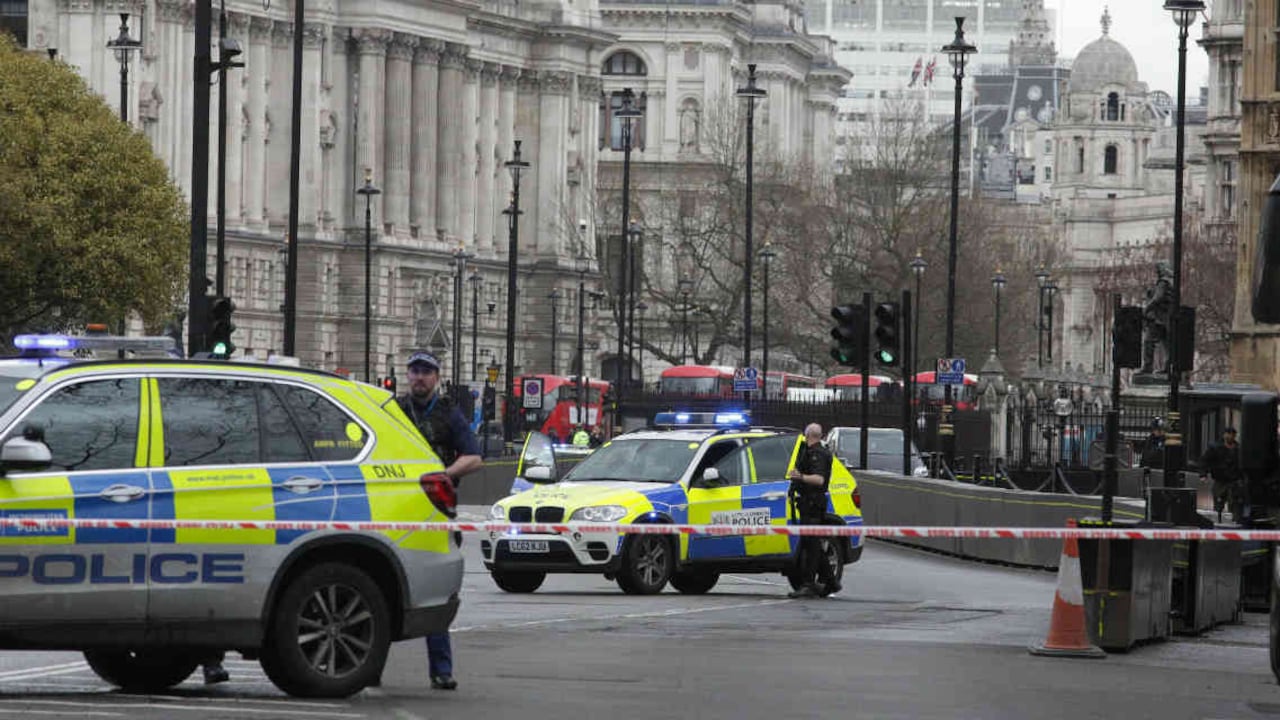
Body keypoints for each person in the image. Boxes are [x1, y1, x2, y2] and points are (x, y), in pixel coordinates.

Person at [397, 351, 484, 691]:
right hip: (395, 506)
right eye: (414, 371)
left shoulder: (449, 414)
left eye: (426, 372)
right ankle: (370, 669)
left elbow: (474, 457)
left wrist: (443, 475)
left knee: (437, 590)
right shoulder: (395, 409)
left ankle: (441, 669)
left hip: (435, 509)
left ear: (437, 377)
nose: (419, 377)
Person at [786, 423, 841, 599]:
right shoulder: (810, 452)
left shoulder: (817, 454)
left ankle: (809, 584)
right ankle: (831, 582)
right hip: (808, 504)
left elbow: (819, 479)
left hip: (813, 504)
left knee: (811, 546)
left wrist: (800, 477)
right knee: (813, 544)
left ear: (808, 435)